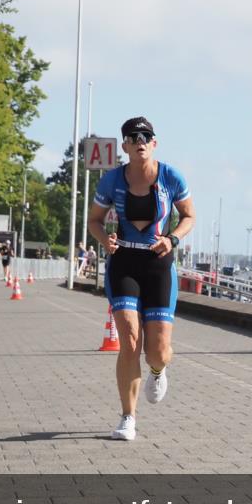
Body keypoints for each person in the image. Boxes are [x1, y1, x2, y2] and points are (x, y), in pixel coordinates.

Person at [88, 116, 194, 441]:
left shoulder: (170, 176)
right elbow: (94, 220)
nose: (140, 141)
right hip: (124, 263)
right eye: (133, 137)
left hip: (158, 264)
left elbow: (188, 216)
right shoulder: (112, 180)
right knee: (130, 339)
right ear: (125, 146)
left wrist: (172, 238)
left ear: (154, 143)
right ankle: (127, 417)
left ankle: (158, 372)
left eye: (145, 136)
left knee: (158, 350)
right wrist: (105, 240)